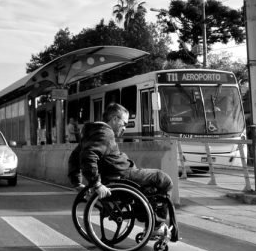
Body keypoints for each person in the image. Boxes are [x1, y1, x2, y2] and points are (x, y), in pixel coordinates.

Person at [67, 102, 177, 241]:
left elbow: (74, 157)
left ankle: (149, 217)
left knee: (150, 188)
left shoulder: (91, 133)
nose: (124, 128)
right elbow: (89, 157)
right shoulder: (104, 133)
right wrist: (96, 184)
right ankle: (156, 226)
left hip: (119, 174)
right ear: (114, 119)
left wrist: (76, 182)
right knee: (164, 180)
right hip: (124, 175)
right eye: (123, 123)